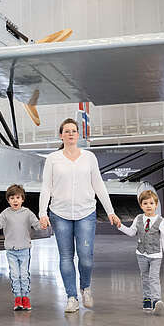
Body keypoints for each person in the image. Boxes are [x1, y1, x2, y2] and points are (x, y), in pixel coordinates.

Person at [38, 118, 121, 313]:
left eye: (74, 131)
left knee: (86, 257)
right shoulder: (53, 159)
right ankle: (71, 297)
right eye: (67, 131)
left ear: (78, 134)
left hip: (86, 212)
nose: (70, 134)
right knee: (66, 256)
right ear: (61, 135)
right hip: (60, 213)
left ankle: (85, 287)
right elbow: (46, 187)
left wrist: (110, 211)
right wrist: (42, 212)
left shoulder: (89, 157)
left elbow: (99, 185)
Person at [0, 184, 44, 311]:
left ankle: (26, 298)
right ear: (8, 200)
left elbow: (37, 225)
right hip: (11, 251)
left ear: (22, 199)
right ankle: (18, 298)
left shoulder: (27, 213)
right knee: (14, 275)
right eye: (12, 198)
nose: (15, 200)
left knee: (24, 275)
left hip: (24, 250)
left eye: (18, 197)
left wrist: (43, 224)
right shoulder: (6, 213)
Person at [117, 183, 164, 314]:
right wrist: (120, 225)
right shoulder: (138, 218)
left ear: (156, 205)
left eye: (151, 203)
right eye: (145, 203)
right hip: (141, 254)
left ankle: (156, 300)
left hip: (155, 256)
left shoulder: (161, 221)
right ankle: (147, 298)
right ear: (141, 206)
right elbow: (131, 232)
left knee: (154, 278)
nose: (148, 206)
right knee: (145, 277)